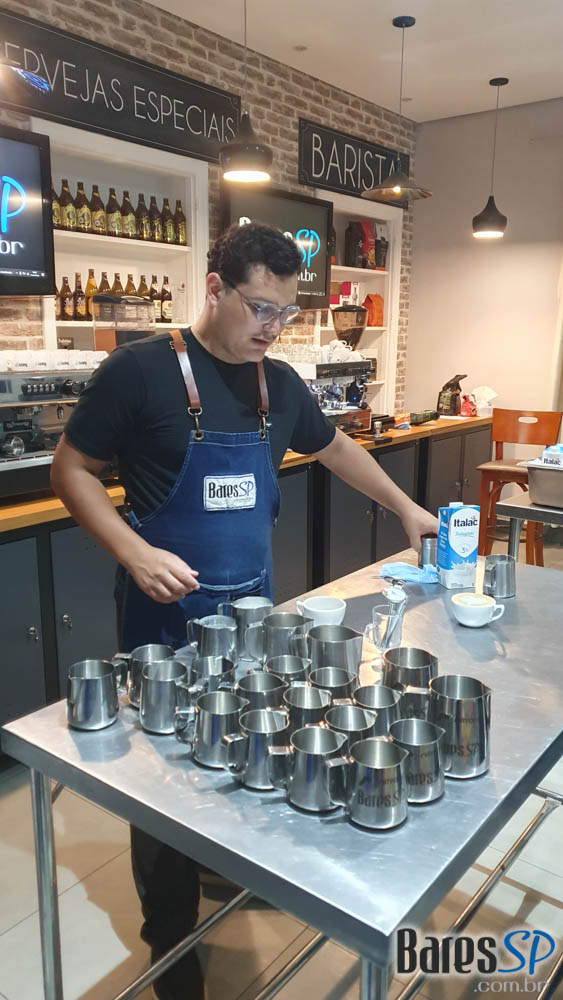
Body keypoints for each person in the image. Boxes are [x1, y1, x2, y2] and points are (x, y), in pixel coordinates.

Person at [51, 221, 437, 999]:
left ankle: (227, 868)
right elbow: (72, 468)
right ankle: (170, 941)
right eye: (259, 308)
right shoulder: (139, 372)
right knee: (163, 783)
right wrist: (133, 551)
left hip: (255, 616)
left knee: (248, 749)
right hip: (166, 623)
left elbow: (333, 448)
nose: (271, 327)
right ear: (214, 288)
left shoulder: (278, 384)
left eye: (284, 313)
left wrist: (404, 506)